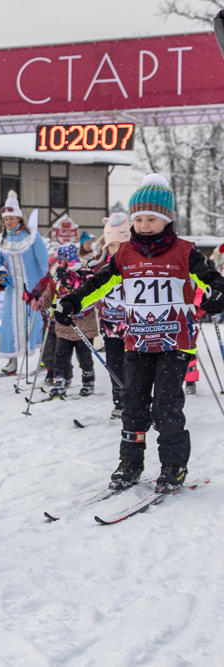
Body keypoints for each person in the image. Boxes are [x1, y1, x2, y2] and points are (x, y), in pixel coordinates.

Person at [56, 174, 224, 492]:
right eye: (139, 219)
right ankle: (130, 462)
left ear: (166, 219)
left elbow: (213, 279)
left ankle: (173, 464)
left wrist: (218, 292)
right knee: (133, 403)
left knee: (166, 404)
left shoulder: (185, 252)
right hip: (139, 340)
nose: (144, 225)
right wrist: (72, 301)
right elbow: (97, 283)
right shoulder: (125, 255)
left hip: (175, 342)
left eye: (151, 219)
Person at [0, 192, 49, 373]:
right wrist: (1, 274)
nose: (8, 222)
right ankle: (12, 362)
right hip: (13, 291)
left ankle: (45, 359)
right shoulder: (1, 240)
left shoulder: (32, 236)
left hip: (34, 289)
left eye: (11, 218)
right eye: (5, 219)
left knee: (37, 322)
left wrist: (47, 284)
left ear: (19, 218)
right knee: (10, 325)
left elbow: (44, 260)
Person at [40, 244, 98, 398]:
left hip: (83, 325)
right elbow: (48, 295)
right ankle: (60, 381)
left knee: (84, 355)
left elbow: (90, 292)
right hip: (64, 325)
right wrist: (41, 302)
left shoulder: (85, 274)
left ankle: (88, 381)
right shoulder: (57, 278)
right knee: (60, 355)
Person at [92, 212, 130, 418]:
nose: (117, 250)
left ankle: (134, 401)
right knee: (114, 365)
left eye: (122, 245)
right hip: (110, 325)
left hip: (134, 326)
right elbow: (85, 287)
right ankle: (119, 401)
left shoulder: (135, 266)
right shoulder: (102, 268)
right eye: (113, 245)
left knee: (132, 365)